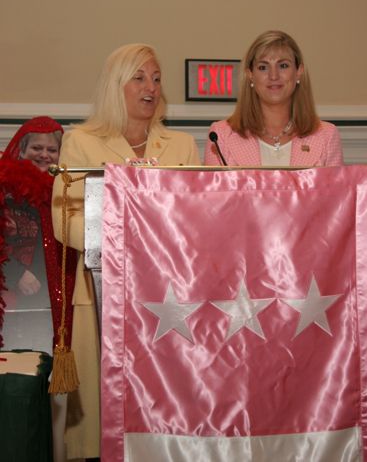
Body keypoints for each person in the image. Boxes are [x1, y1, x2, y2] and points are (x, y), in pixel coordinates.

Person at [51, 42, 201, 460]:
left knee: (166, 404)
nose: (150, 87)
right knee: (106, 417)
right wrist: (127, 244)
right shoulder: (81, 142)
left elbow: (198, 216)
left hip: (169, 297)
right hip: (103, 291)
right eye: (139, 78)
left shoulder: (182, 146)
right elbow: (67, 216)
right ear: (115, 86)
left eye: (155, 78)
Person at [0, 116, 77, 462]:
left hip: (54, 310)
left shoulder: (67, 189)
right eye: (37, 148)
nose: (45, 155)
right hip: (14, 313)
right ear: (21, 149)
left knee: (48, 393)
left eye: (52, 149)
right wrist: (16, 273)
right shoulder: (4, 186)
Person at [204, 30, 344, 167]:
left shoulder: (327, 135)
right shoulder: (220, 135)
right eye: (263, 67)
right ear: (250, 74)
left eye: (283, 66)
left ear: (299, 72)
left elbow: (337, 191)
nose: (273, 76)